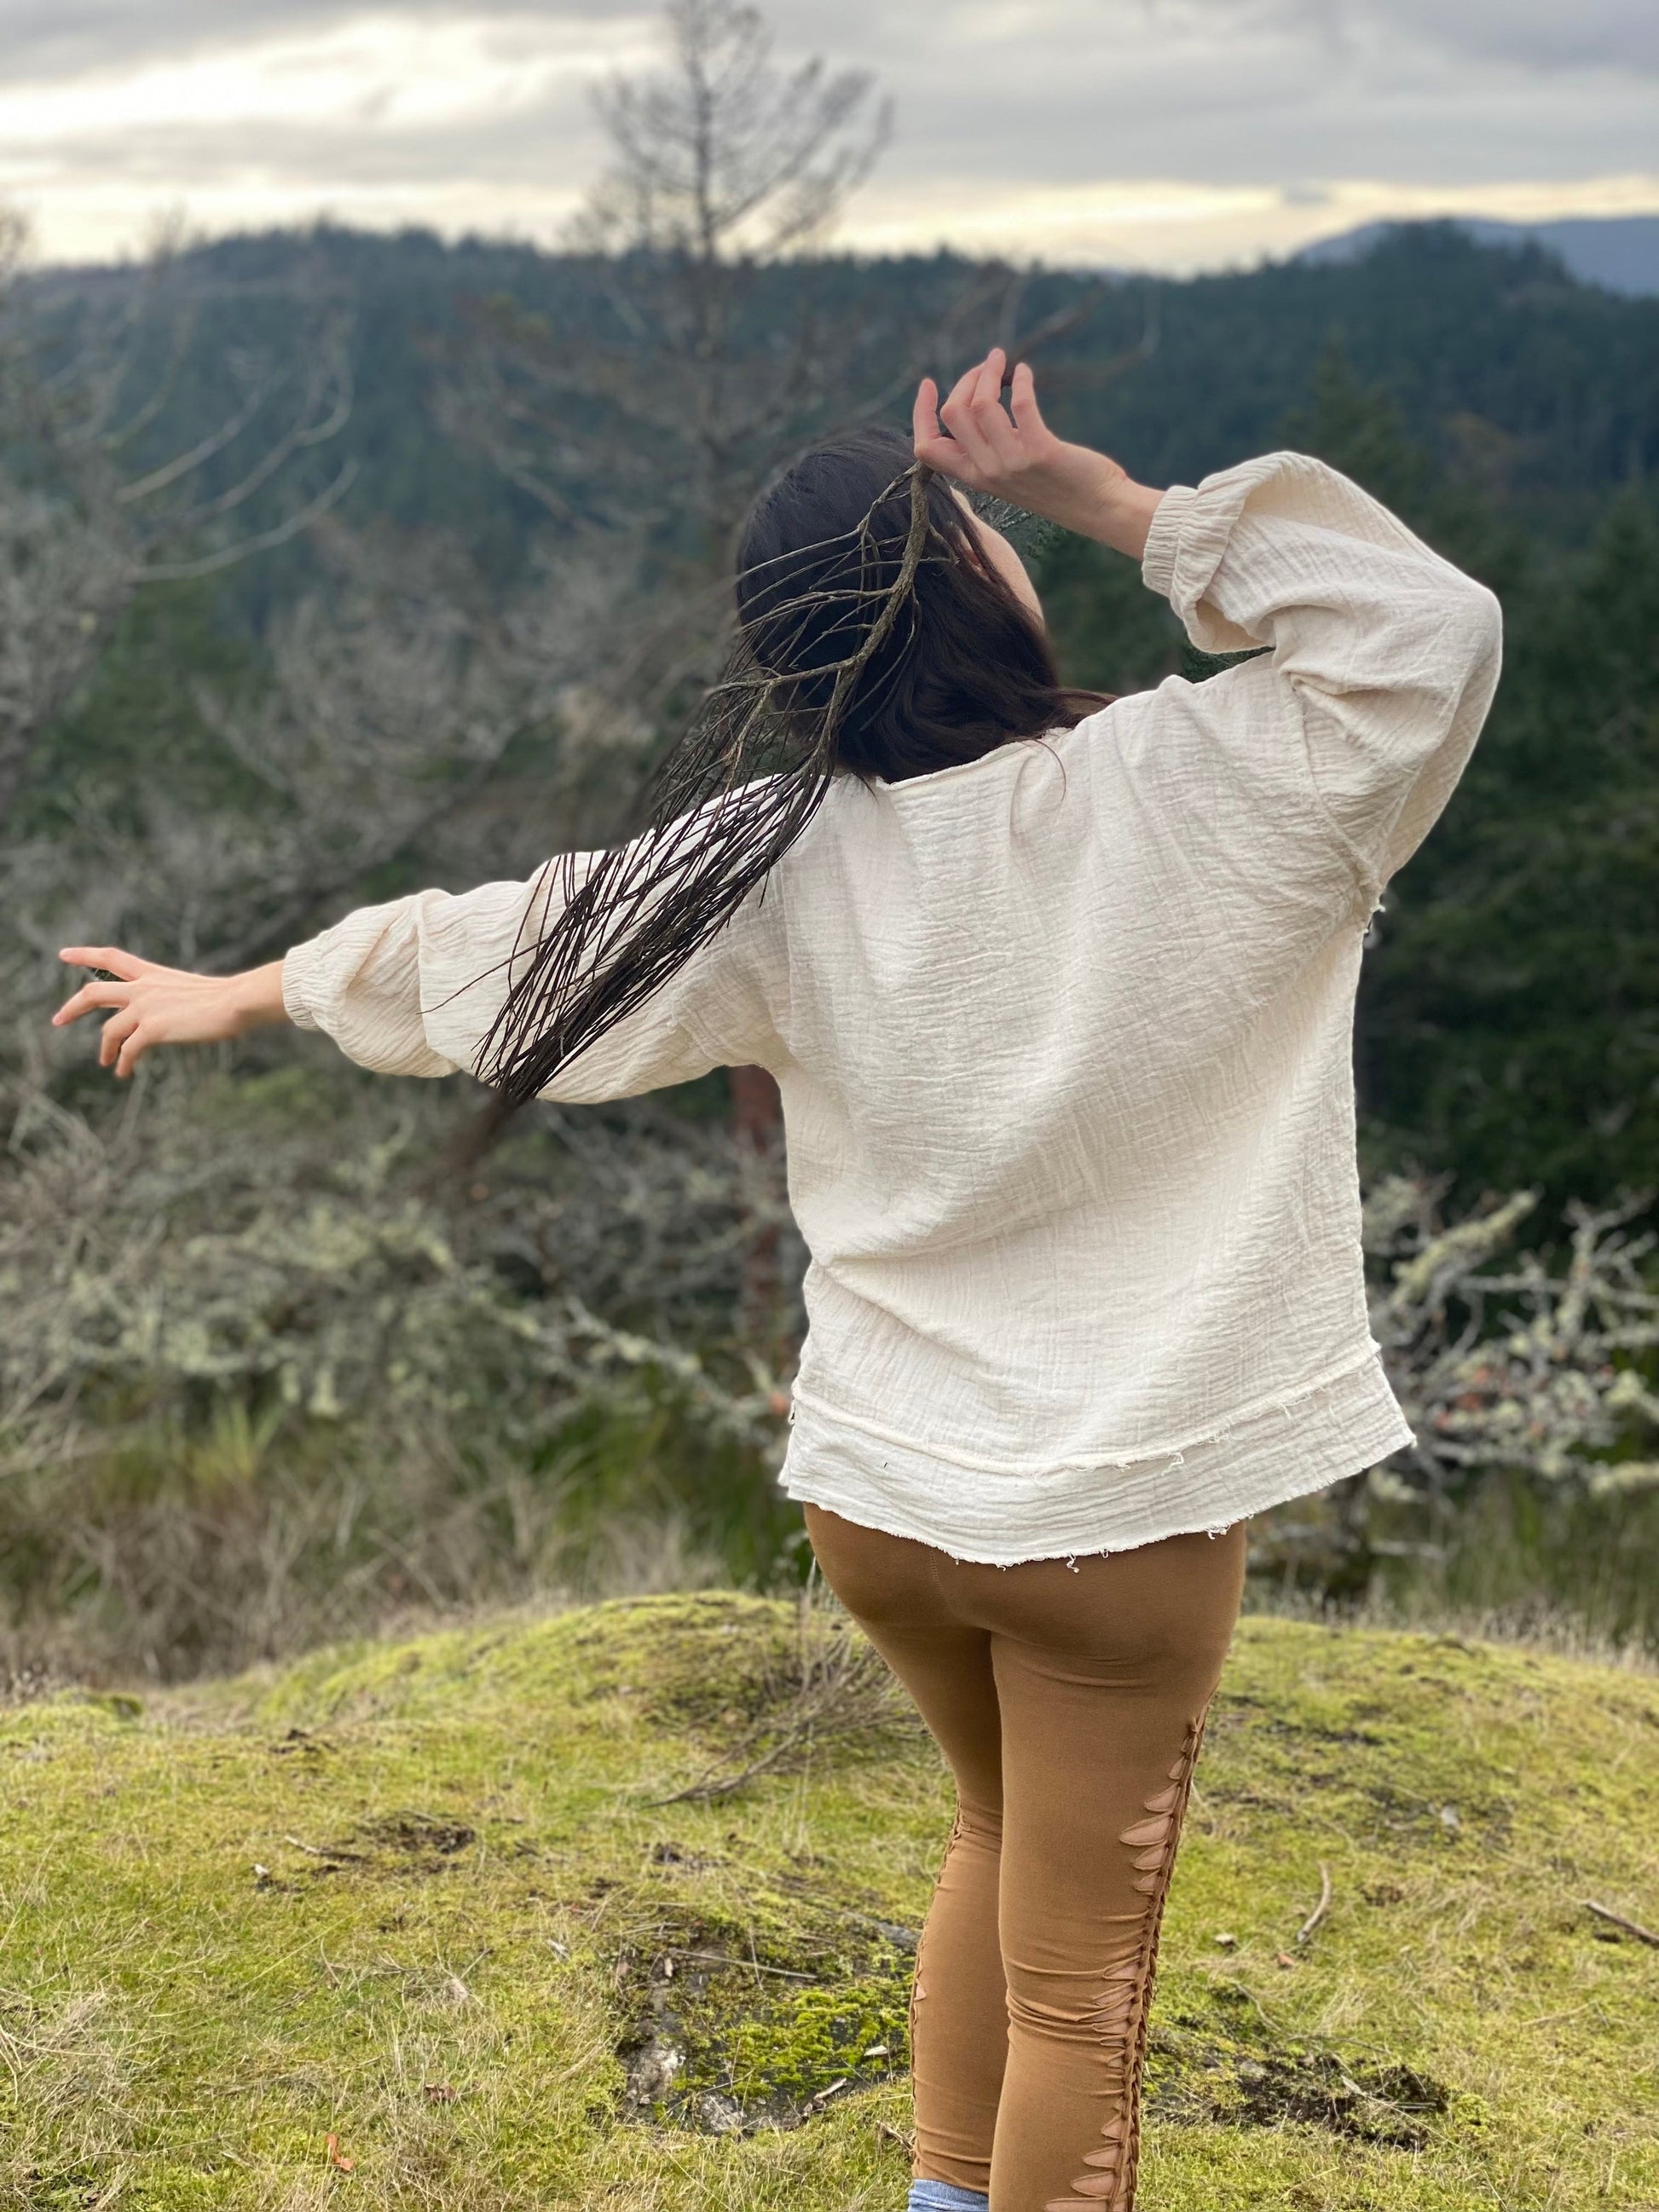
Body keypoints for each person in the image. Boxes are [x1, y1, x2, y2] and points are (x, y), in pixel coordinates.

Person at [54, 349, 1502, 2210]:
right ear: (976, 581)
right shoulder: (1211, 776)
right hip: (1113, 1515)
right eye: (988, 531)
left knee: (992, 1833)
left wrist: (243, 989)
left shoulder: (768, 857)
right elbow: (1426, 627)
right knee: (1085, 1998)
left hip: (883, 1501)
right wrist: (1108, 494)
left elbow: (487, 947)